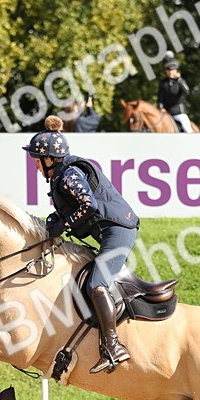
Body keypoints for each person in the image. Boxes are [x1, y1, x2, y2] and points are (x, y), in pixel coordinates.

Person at [23, 115, 140, 373]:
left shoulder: (68, 175)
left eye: (37, 160)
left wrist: (64, 224)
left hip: (118, 232)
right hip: (111, 231)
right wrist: (58, 220)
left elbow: (89, 205)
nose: (36, 165)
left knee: (96, 285)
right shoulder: (62, 175)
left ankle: (113, 346)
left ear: (50, 159)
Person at [157, 53, 192, 133]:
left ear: (175, 70)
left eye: (172, 70)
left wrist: (180, 80)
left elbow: (187, 91)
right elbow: (160, 97)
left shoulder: (180, 81)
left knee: (187, 128)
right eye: (168, 70)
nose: (170, 72)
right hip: (166, 114)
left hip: (179, 113)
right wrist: (161, 107)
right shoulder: (163, 83)